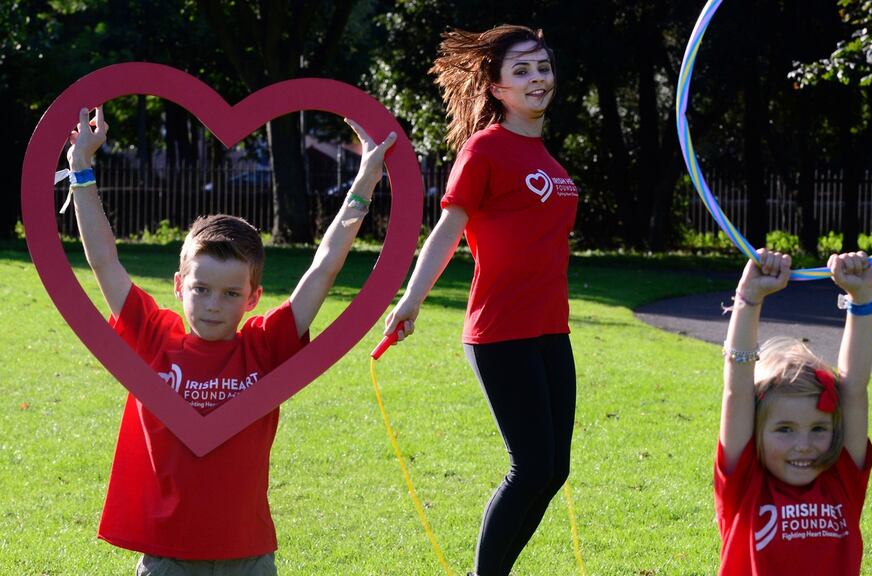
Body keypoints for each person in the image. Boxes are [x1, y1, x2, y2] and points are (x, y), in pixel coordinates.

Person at [66, 105, 395, 575]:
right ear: (179, 285)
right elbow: (103, 259)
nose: (212, 304)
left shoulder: (266, 345)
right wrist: (81, 168)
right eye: (200, 289)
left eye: (230, 293)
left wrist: (364, 182)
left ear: (253, 297)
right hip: (168, 556)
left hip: (249, 554)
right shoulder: (153, 335)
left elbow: (324, 266)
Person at [382, 25, 579, 576]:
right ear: (495, 86)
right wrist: (411, 301)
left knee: (554, 469)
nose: (537, 78)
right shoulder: (485, 149)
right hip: (501, 332)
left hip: (550, 331)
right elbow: (447, 230)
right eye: (521, 71)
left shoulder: (545, 156)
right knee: (531, 466)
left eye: (542, 67)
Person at [716, 248, 872, 575]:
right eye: (785, 429)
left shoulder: (841, 478)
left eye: (818, 429)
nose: (804, 444)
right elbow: (736, 386)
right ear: (756, 430)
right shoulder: (745, 481)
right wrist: (749, 297)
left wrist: (862, 299)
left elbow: (854, 387)